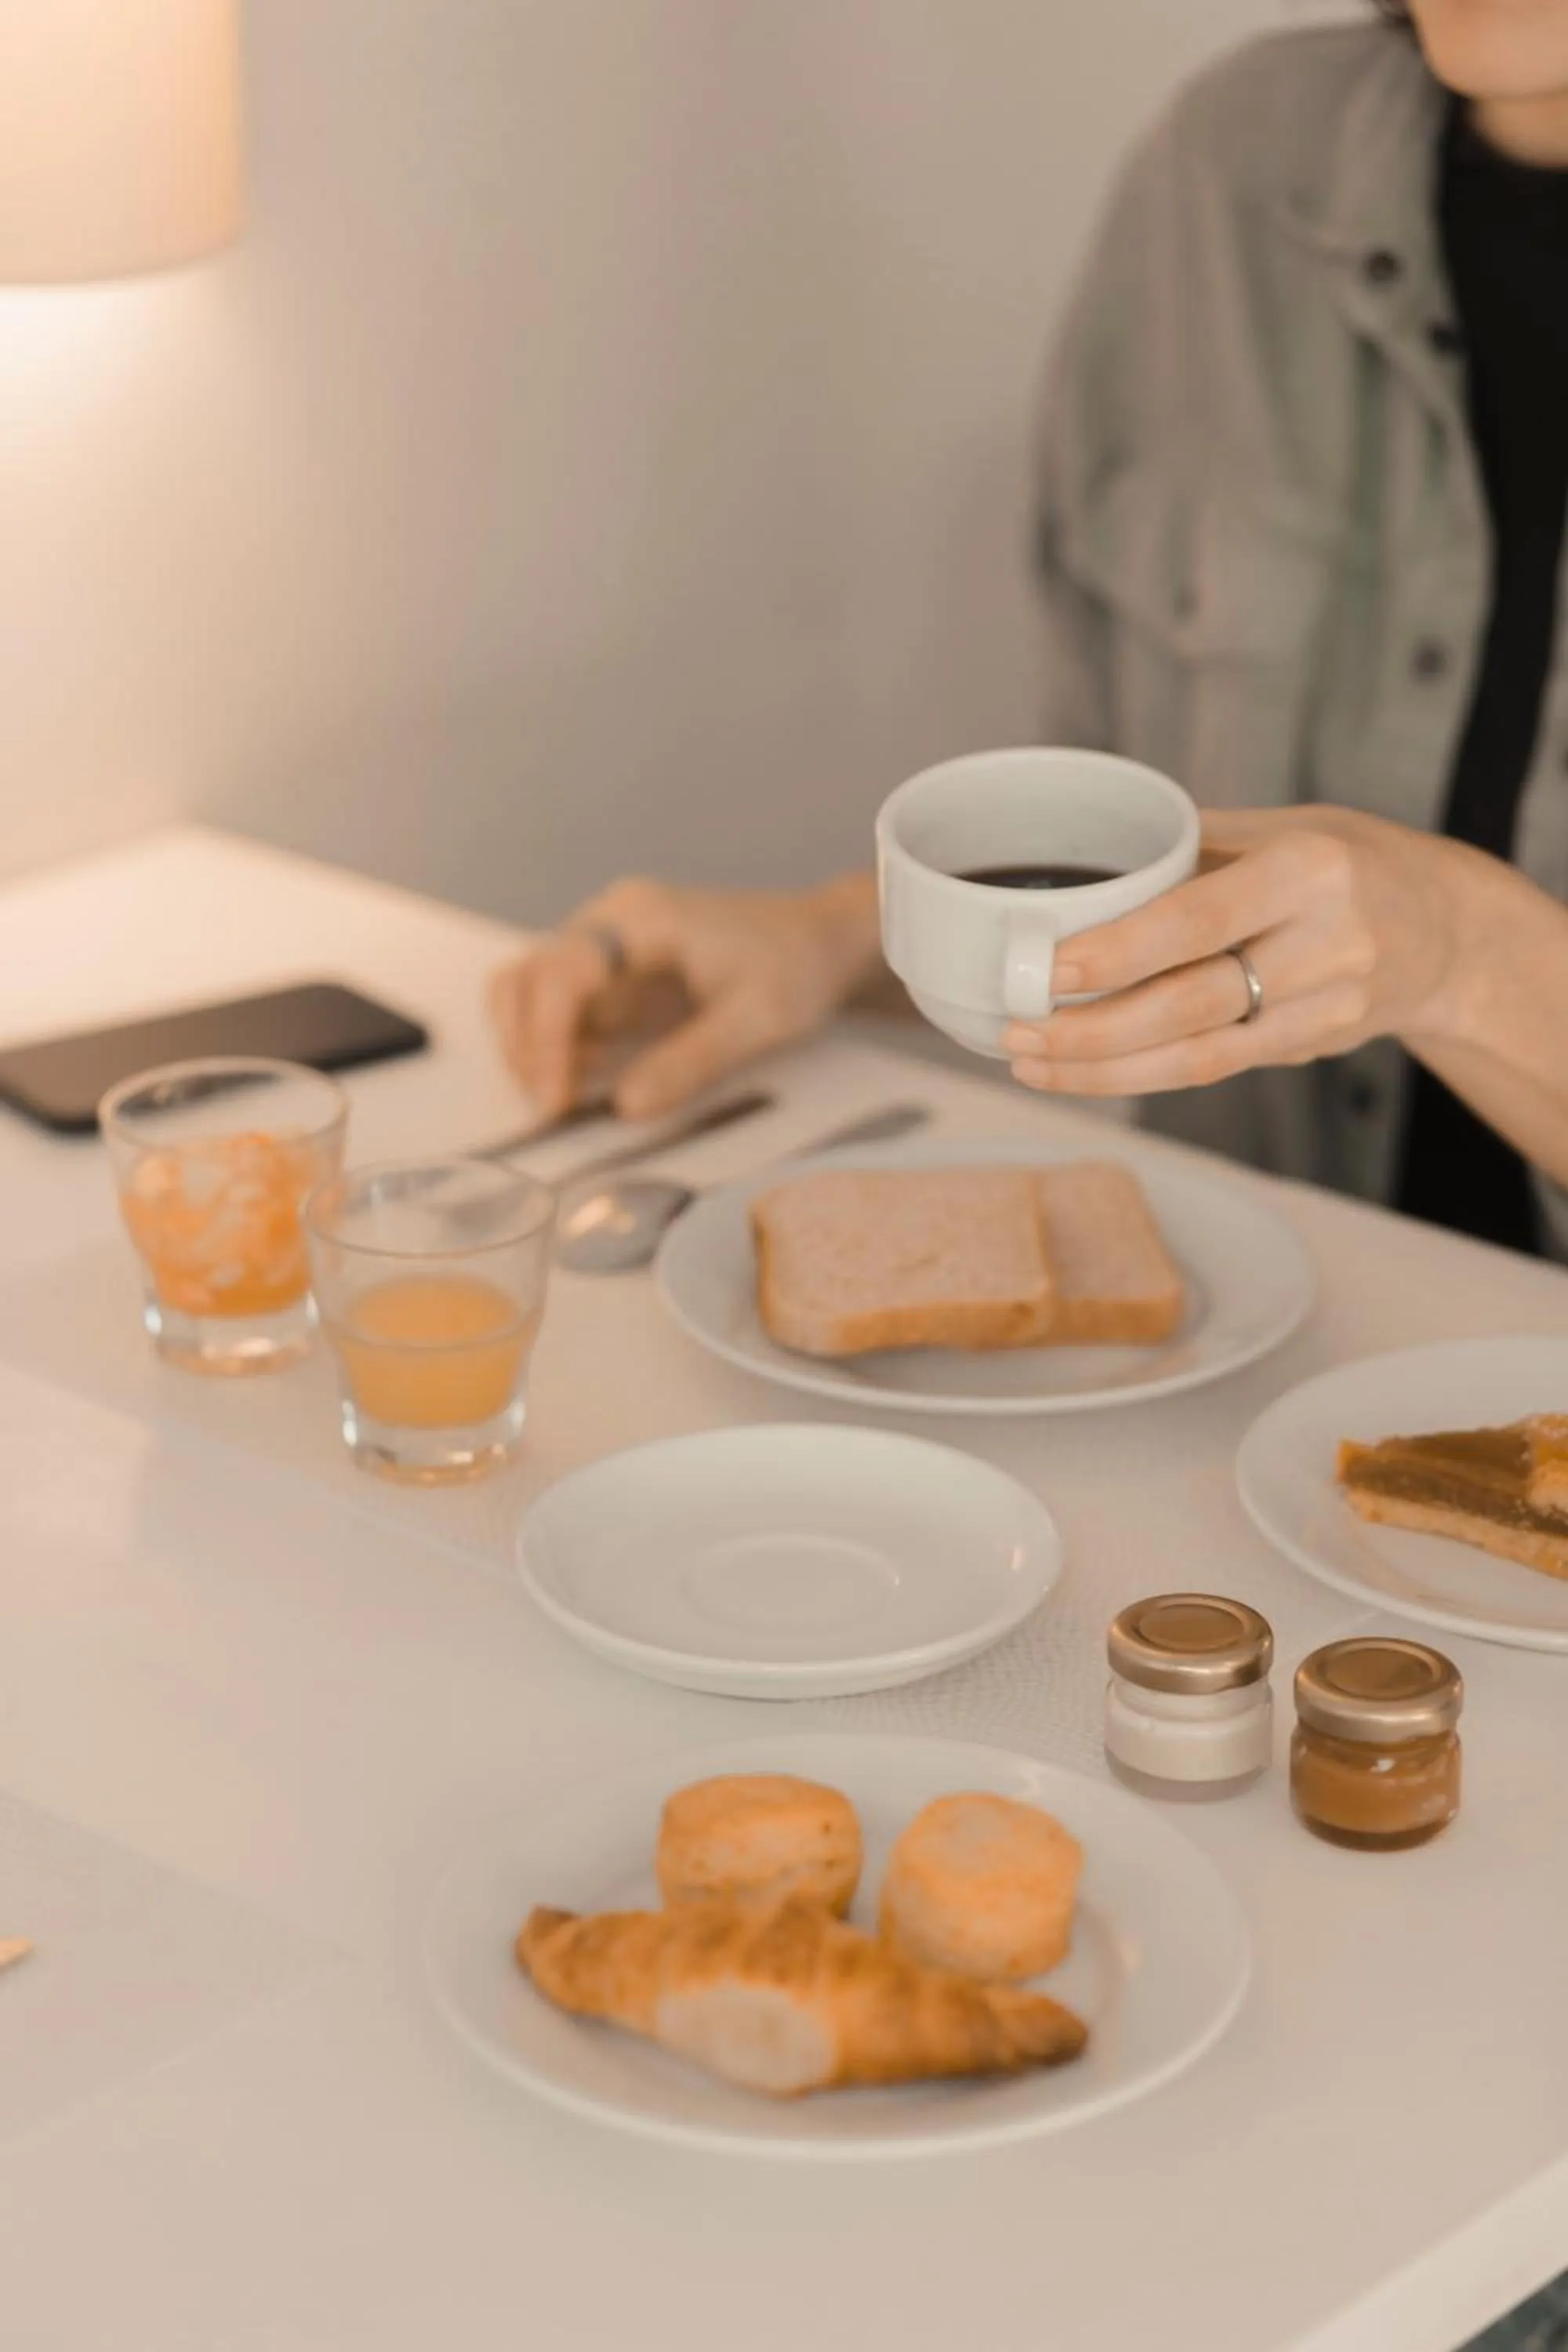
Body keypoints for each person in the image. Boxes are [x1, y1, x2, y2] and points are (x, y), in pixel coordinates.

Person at [491, 0, 1568, 1267]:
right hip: (1239, 1367)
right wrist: (835, 939)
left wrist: (1458, 955)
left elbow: (1395, 934)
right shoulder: (1233, 170)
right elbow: (1141, 869)